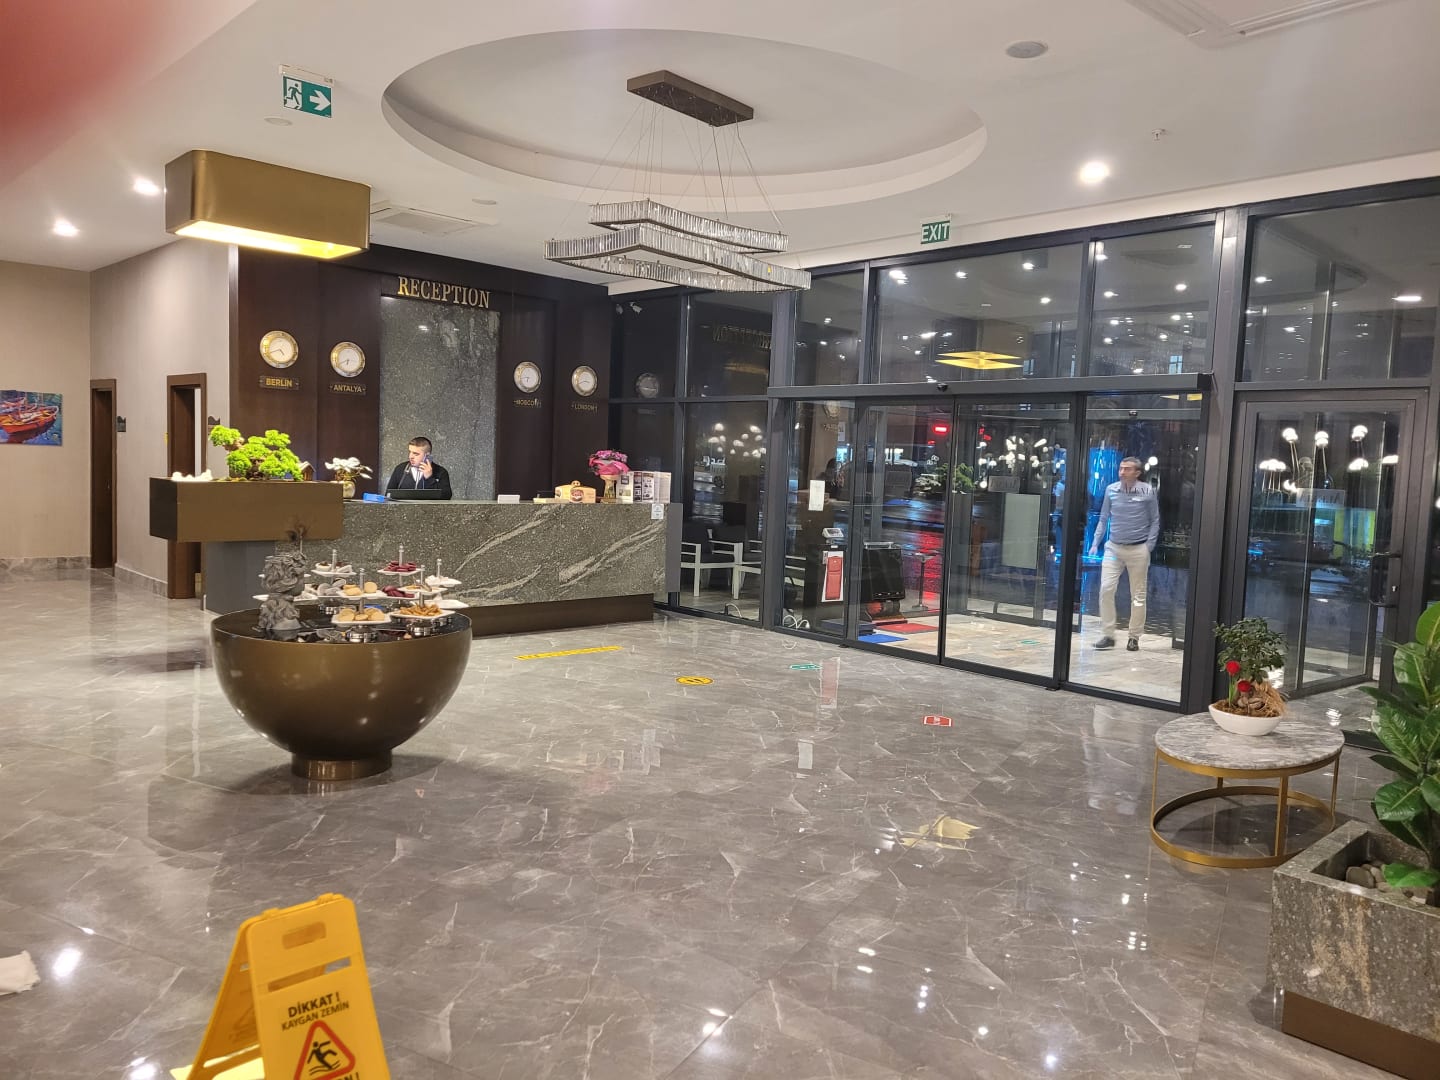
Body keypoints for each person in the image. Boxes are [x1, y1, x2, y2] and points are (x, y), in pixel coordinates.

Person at [1089, 455, 1159, 651]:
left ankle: (1134, 637)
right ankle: (1108, 634)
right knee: (1106, 589)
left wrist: (1148, 546)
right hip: (1114, 547)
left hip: (1138, 548)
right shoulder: (1111, 490)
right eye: (1121, 468)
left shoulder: (1147, 491)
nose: (1122, 472)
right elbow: (1104, 517)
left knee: (1138, 595)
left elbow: (1155, 520)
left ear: (1137, 473)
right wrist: (1095, 543)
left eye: (1127, 469)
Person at [386, 436, 452, 499]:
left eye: (416, 454)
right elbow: (388, 495)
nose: (410, 456)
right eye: (410, 452)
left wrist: (429, 478)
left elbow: (446, 496)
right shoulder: (400, 469)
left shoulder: (440, 472)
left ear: (427, 456)